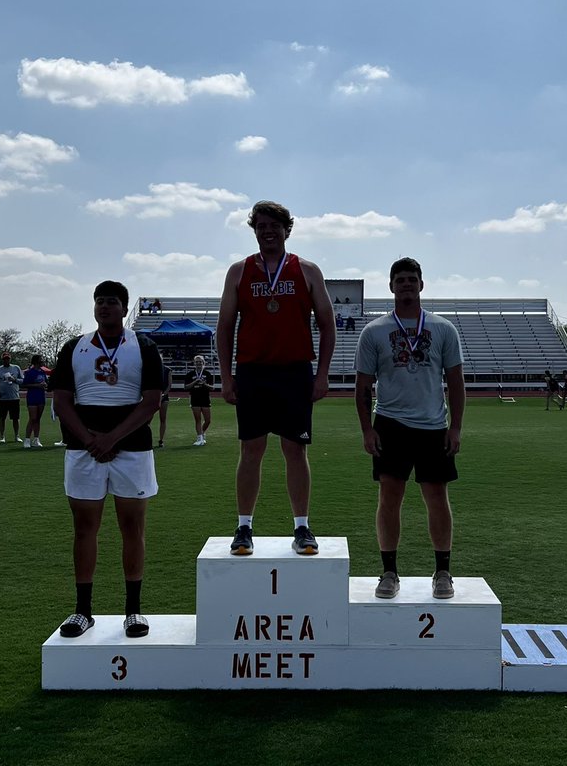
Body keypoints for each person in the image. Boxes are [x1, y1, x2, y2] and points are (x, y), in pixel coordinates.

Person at [217, 200, 336, 556]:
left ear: (287, 229)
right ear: (254, 229)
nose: (267, 231)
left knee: (294, 449)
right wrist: (226, 376)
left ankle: (301, 527)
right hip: (253, 371)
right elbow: (225, 327)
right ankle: (243, 527)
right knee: (251, 449)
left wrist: (323, 374)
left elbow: (328, 325)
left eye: (274, 225)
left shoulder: (308, 270)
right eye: (260, 225)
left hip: (294, 370)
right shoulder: (238, 271)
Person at [51, 279, 164, 639]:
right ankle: (83, 611)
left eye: (111, 301)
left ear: (124, 308)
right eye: (99, 301)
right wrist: (90, 440)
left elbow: (150, 401)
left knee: (132, 528)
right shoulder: (74, 347)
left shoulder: (143, 346)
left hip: (131, 449)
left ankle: (133, 611)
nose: (104, 307)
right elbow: (62, 401)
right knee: (84, 529)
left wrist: (112, 438)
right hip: (84, 449)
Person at [354, 257, 465, 600]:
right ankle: (389, 571)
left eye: (411, 279)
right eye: (399, 279)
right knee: (389, 497)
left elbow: (456, 383)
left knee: (436, 497)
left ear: (421, 284)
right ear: (391, 286)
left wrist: (456, 427)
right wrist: (366, 430)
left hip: (433, 425)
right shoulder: (374, 332)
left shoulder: (444, 329)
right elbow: (362, 388)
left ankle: (443, 571)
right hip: (390, 424)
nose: (406, 284)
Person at [0, 352, 24, 443]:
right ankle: (2, 436)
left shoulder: (16, 368)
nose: (6, 360)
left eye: (7, 358)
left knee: (15, 418)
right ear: (2, 360)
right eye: (4, 359)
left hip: (14, 397)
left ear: (10, 359)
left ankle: (17, 436)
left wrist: (14, 379)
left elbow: (22, 380)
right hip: (3, 398)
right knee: (2, 417)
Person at [183, 354, 212, 446]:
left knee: (208, 420)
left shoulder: (207, 374)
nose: (198, 363)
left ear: (203, 363)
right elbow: (186, 387)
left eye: (200, 362)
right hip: (194, 398)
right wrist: (195, 382)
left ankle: (202, 433)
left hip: (205, 398)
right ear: (194, 363)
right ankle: (199, 438)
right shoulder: (190, 374)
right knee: (198, 419)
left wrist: (204, 384)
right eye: (197, 362)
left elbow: (212, 388)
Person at [21, 355, 49, 448]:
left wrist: (45, 385)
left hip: (41, 397)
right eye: (41, 360)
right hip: (32, 397)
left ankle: (36, 439)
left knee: (38, 419)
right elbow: (25, 384)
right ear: (37, 361)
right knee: (32, 418)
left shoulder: (42, 372)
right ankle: (27, 439)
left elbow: (46, 382)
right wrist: (37, 385)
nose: (43, 361)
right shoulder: (30, 372)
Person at [157, 360, 173, 448]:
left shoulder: (167, 370)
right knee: (147, 419)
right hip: (154, 397)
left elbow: (169, 385)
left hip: (164, 397)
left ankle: (161, 440)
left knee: (163, 418)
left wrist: (163, 394)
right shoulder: (152, 369)